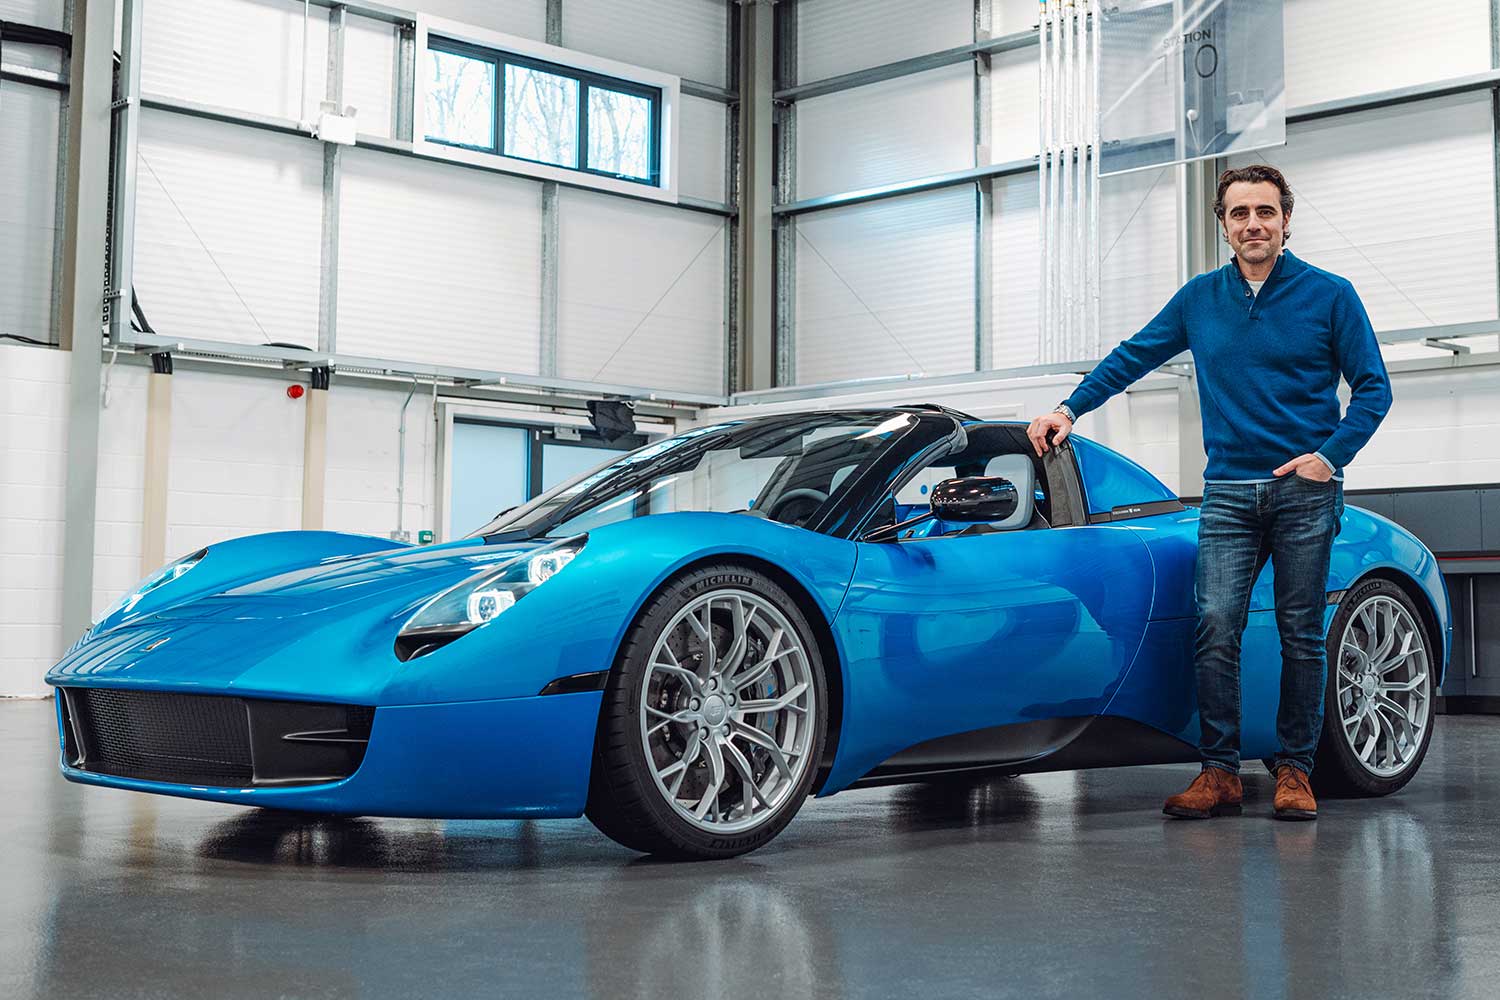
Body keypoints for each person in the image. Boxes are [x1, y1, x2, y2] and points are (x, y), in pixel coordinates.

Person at [1026, 164, 1392, 821]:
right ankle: (1219, 771)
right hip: (1226, 493)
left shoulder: (1331, 295)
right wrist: (1069, 408)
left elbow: (1374, 387)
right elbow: (1133, 354)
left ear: (1286, 220)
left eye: (1266, 212)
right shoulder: (1200, 299)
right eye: (1240, 214)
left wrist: (1330, 458)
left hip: (1302, 492)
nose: (1254, 224)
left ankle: (1296, 772)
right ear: (1223, 226)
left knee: (1300, 633)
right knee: (1215, 624)